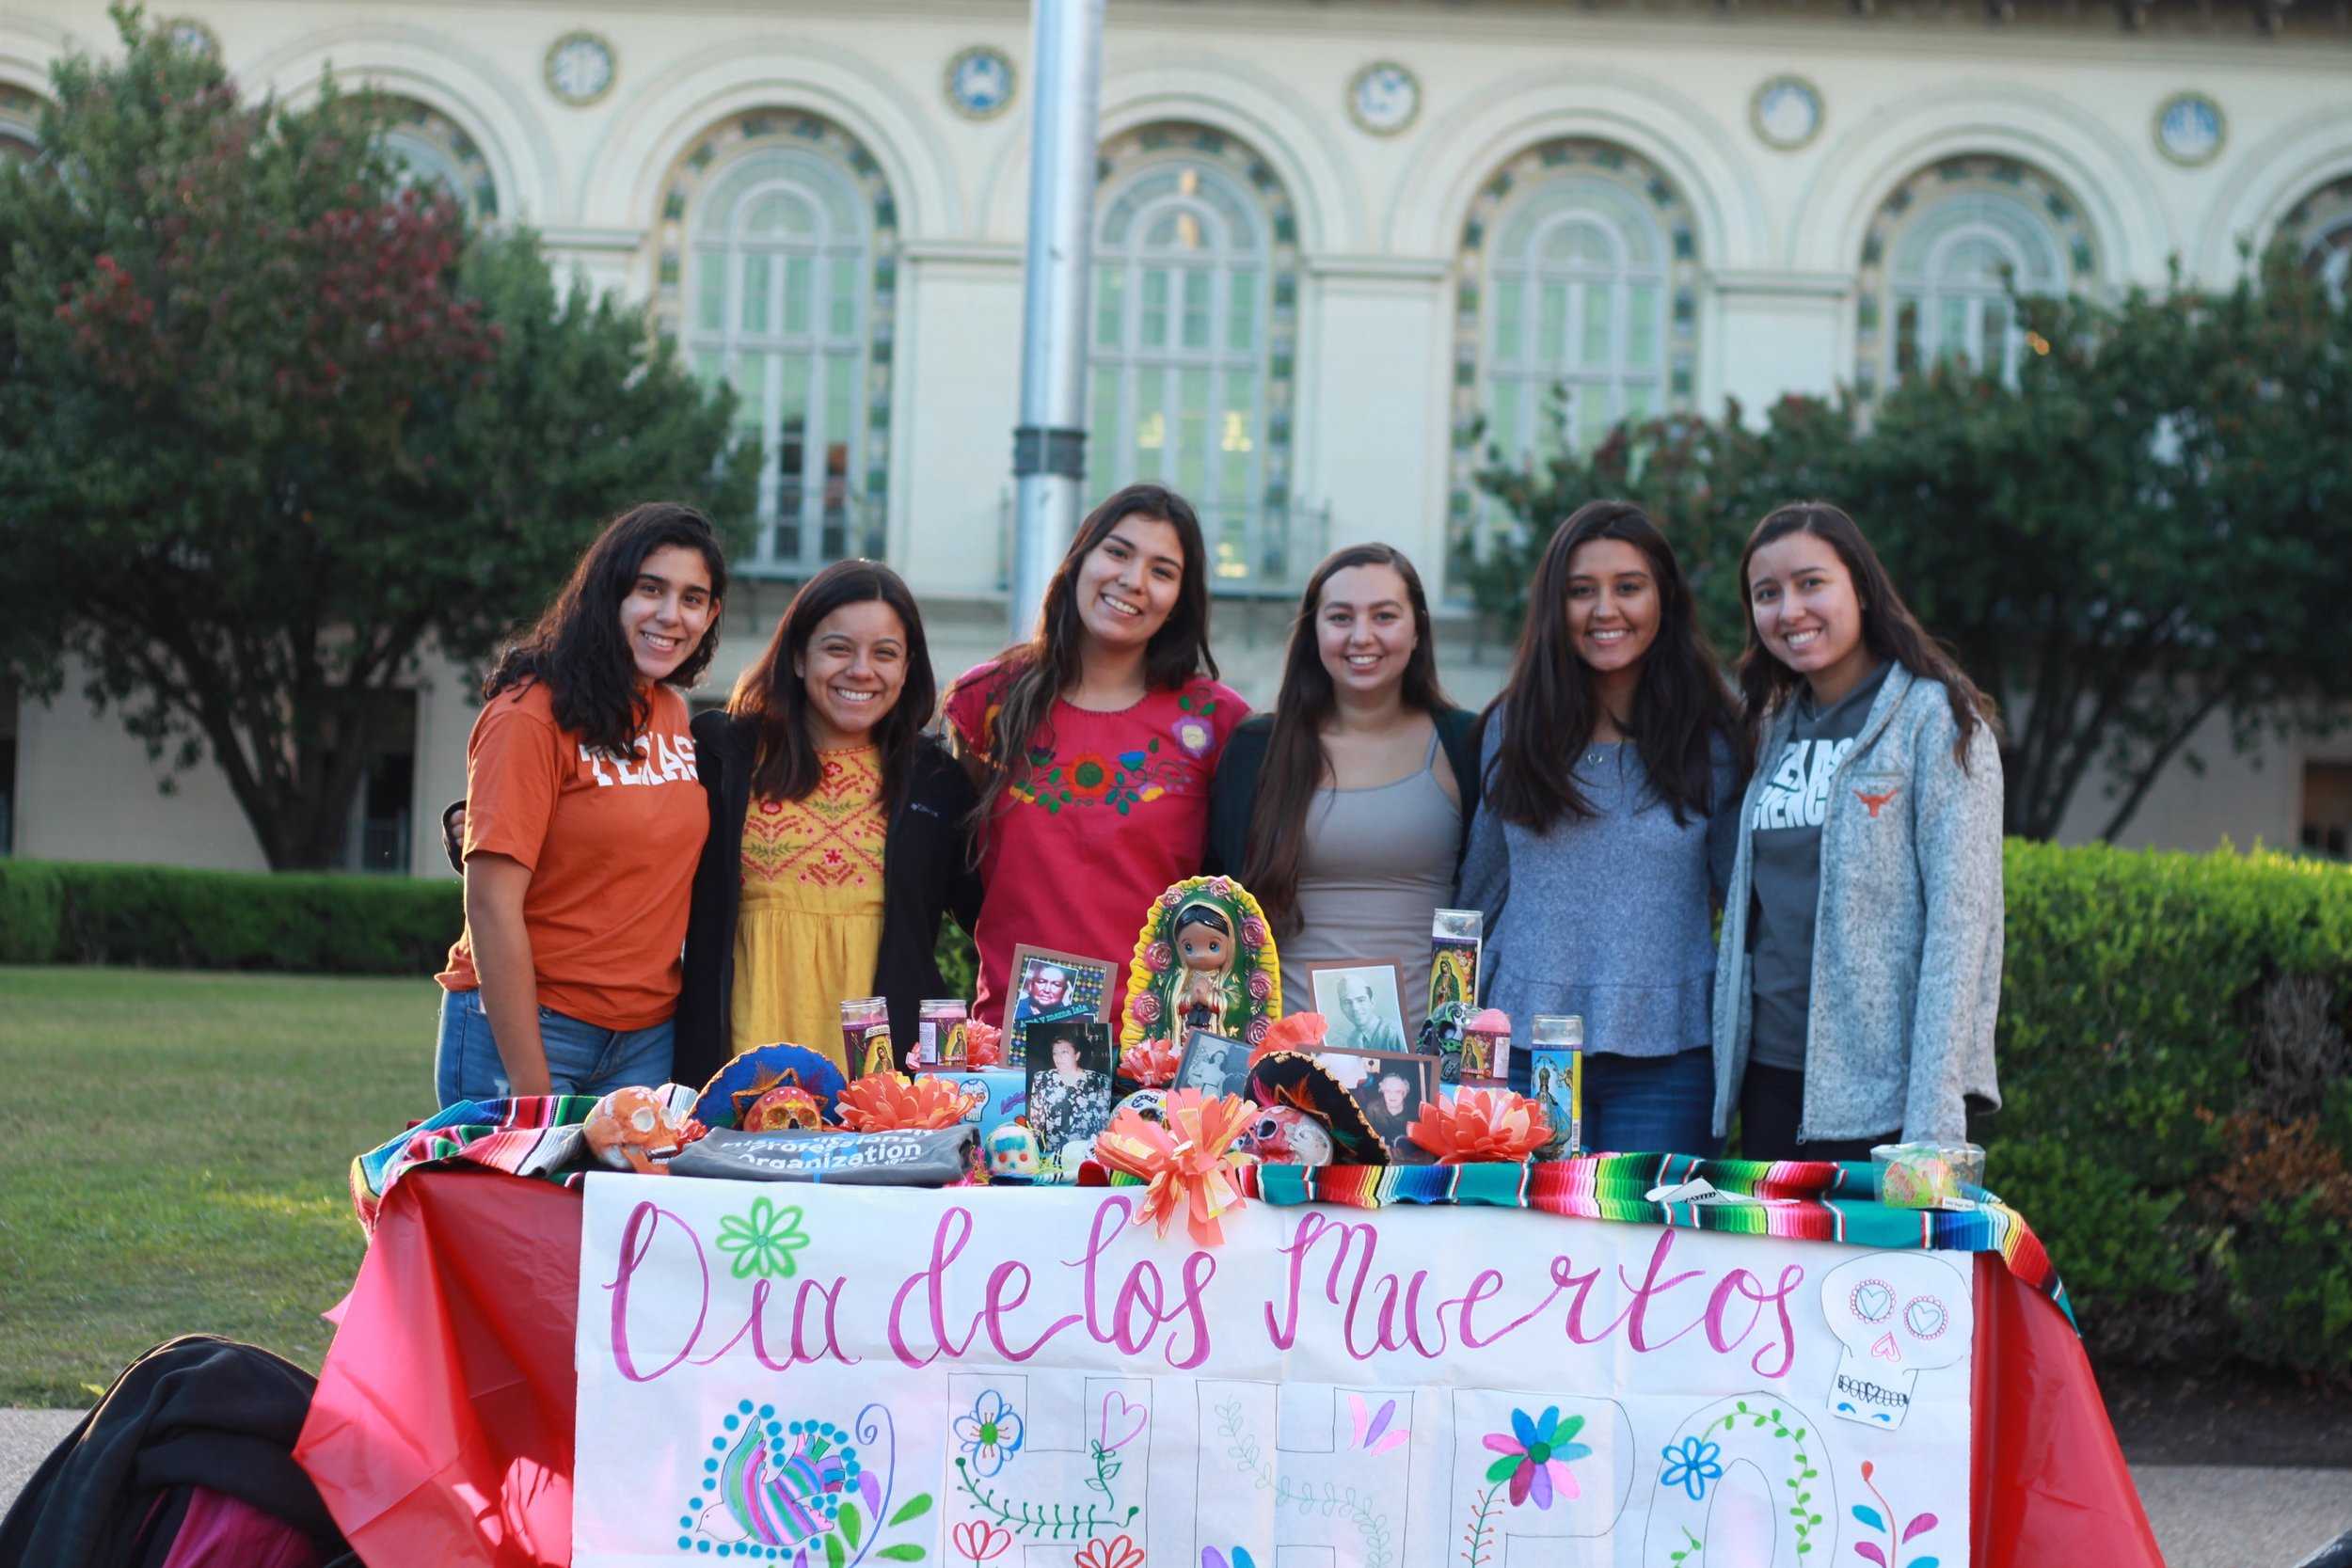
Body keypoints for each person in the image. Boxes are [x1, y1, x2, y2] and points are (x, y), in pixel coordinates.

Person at [1713, 501, 2004, 1161]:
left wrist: (1932, 1121)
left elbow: (1961, 927)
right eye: (1767, 594)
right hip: (1770, 1076)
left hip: (1884, 1097)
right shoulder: (1769, 727)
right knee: (1774, 1269)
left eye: (1811, 583)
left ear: (1862, 591)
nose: (1789, 610)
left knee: (1864, 1270)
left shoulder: (1937, 721)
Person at [1456, 500, 1741, 1156]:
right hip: (1521, 1055)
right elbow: (1478, 896)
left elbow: (1744, 901)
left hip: (1667, 1064)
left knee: (1648, 1256)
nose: (1604, 609)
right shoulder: (1514, 725)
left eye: (1628, 587)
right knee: (1523, 1256)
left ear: (1664, 598)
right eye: (1581, 591)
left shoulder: (1713, 737)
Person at [434, 503, 727, 1107]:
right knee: (523, 1204)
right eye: (651, 589)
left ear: (711, 613)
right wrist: (532, 1089)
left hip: (646, 1038)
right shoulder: (529, 715)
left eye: (693, 598)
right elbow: (490, 903)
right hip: (533, 1028)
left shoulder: (670, 711)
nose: (671, 615)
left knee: (621, 1209)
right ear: (607, 592)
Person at [946, 483, 1248, 1029]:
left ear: (1182, 596)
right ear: (1080, 558)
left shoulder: (1218, 724)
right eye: (1117, 552)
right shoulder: (987, 701)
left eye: (1162, 570)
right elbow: (960, 877)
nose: (1133, 581)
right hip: (1012, 1043)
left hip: (1159, 1050)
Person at [675, 560, 979, 1087]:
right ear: (797, 656)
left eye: (885, 653)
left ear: (907, 669)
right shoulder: (724, 755)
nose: (861, 670)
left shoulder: (936, 780)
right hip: (731, 1076)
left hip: (881, 1092)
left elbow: (996, 916)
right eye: (838, 648)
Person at [1206, 545, 1477, 1042]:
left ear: (1417, 628)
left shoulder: (1468, 745)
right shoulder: (1255, 749)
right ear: (1313, 632)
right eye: (1340, 617)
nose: (1361, 636)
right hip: (1281, 1064)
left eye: (1384, 616)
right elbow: (1217, 909)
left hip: (1428, 1069)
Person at [1026, 1028, 1111, 1164]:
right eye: (1055, 1053)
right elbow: (1036, 1122)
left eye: (1064, 1052)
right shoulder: (1042, 1079)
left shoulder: (1100, 1081)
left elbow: (1104, 1125)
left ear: (1077, 1055)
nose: (1058, 1058)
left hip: (1088, 1157)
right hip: (1053, 1157)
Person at [1329, 974, 1406, 1053]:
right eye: (1347, 1002)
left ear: (1372, 1002)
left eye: (1361, 1000)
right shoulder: (1352, 1040)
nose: (1355, 1008)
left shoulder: (1396, 1034)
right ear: (1341, 1007)